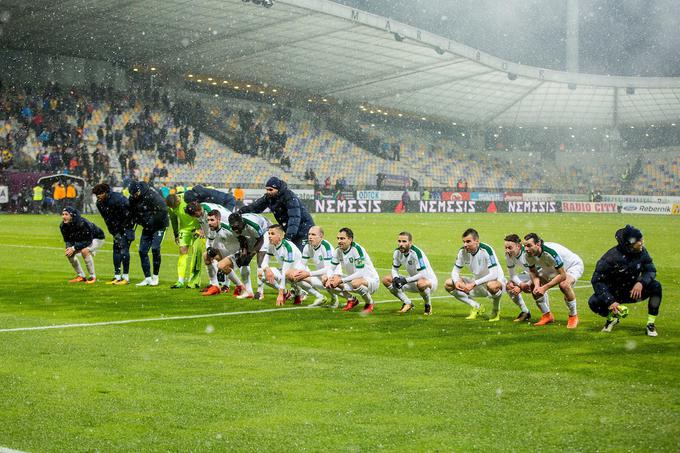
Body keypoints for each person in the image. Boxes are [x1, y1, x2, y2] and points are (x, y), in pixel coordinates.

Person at [589, 225, 662, 337]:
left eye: (642, 239)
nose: (642, 242)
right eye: (639, 240)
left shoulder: (642, 252)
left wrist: (641, 282)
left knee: (656, 286)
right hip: (615, 293)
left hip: (634, 292)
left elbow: (650, 270)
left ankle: (650, 324)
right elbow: (597, 281)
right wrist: (610, 301)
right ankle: (612, 318)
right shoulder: (610, 258)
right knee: (593, 302)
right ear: (630, 245)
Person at [522, 233, 583, 329]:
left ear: (538, 244)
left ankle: (573, 316)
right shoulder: (528, 254)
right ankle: (547, 316)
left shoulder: (550, 252)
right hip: (553, 267)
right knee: (533, 286)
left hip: (572, 266)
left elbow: (562, 275)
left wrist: (545, 287)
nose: (526, 249)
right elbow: (533, 272)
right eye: (524, 245)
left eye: (529, 245)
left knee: (564, 285)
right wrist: (538, 286)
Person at [239, 176, 314, 251]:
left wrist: (289, 236)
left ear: (277, 189)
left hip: (304, 229)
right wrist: (239, 213)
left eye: (271, 189)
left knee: (297, 255)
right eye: (267, 189)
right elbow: (255, 207)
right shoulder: (269, 198)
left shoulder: (288, 196)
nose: (268, 192)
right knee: (290, 255)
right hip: (293, 230)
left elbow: (294, 217)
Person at [445, 228, 505, 321]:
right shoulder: (462, 252)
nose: (465, 245)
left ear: (477, 241)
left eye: (468, 241)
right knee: (449, 283)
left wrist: (473, 284)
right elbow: (455, 271)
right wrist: (457, 281)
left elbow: (494, 274)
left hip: (495, 282)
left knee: (492, 285)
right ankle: (476, 306)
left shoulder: (486, 250)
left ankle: (496, 310)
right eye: (464, 242)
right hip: (478, 283)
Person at [325, 227, 380, 314]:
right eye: (338, 238)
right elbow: (330, 268)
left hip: (370, 281)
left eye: (342, 238)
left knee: (355, 282)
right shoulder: (338, 251)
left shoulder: (357, 249)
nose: (339, 241)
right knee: (327, 281)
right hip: (352, 279)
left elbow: (360, 273)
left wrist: (340, 280)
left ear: (350, 239)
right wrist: (329, 278)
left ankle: (369, 303)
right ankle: (351, 300)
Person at [382, 232, 437, 315]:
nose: (401, 244)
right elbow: (394, 269)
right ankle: (408, 303)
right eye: (399, 241)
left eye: (404, 241)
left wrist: (405, 280)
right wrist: (396, 278)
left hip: (428, 282)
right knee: (386, 280)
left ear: (410, 243)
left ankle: (428, 305)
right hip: (412, 281)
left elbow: (423, 275)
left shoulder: (417, 253)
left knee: (421, 283)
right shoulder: (397, 252)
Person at [185, 201, 233, 292]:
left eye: (194, 215)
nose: (194, 217)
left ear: (198, 211)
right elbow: (206, 226)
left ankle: (226, 285)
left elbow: (218, 227)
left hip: (226, 232)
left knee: (223, 258)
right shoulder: (200, 211)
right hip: (214, 233)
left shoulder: (210, 213)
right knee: (208, 256)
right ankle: (214, 284)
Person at [92, 183, 135, 285]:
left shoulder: (119, 199)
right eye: (96, 194)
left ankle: (125, 277)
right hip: (116, 229)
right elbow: (107, 219)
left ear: (105, 192)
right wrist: (114, 232)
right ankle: (117, 276)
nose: (98, 196)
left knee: (124, 250)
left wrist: (125, 228)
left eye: (100, 194)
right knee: (116, 250)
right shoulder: (100, 203)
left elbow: (129, 214)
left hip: (126, 227)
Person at [128, 181, 169, 287]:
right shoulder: (133, 198)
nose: (134, 196)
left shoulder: (152, 195)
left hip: (159, 225)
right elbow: (132, 212)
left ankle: (155, 277)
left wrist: (151, 221)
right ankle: (147, 278)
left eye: (135, 193)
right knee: (142, 251)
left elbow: (163, 210)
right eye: (132, 194)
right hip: (147, 226)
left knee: (155, 249)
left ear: (139, 190)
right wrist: (136, 222)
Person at [200, 209, 248, 297]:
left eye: (212, 220)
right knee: (206, 255)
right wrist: (209, 249)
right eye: (208, 220)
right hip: (226, 252)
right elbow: (210, 241)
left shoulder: (229, 228)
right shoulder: (212, 229)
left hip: (237, 253)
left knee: (221, 266)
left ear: (219, 220)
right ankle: (215, 286)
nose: (209, 223)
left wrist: (243, 253)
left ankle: (240, 286)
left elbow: (243, 238)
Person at [291, 226, 337, 307]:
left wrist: (308, 273)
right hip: (320, 273)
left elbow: (328, 269)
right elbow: (302, 264)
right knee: (297, 277)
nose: (310, 237)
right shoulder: (307, 247)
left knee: (325, 277)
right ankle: (320, 297)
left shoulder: (326, 247)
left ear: (321, 237)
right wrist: (297, 272)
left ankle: (341, 297)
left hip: (333, 274)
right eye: (309, 234)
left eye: (313, 234)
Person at [228, 211, 271, 300]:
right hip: (250, 234)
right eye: (233, 227)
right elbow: (241, 239)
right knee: (244, 262)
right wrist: (244, 252)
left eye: (237, 226)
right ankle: (248, 292)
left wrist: (251, 254)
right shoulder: (233, 227)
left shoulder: (252, 225)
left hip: (264, 231)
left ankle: (260, 292)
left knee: (260, 262)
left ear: (241, 222)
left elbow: (260, 240)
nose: (235, 229)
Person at [260, 224, 306, 306]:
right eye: (269, 234)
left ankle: (299, 292)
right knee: (261, 274)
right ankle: (286, 293)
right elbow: (264, 262)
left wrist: (280, 295)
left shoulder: (288, 248)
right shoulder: (271, 245)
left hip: (297, 273)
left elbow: (285, 271)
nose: (269, 236)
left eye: (272, 234)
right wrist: (267, 270)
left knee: (289, 275)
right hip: (285, 271)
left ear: (280, 236)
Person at [59, 206, 105, 284]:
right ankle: (81, 276)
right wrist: (69, 248)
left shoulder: (82, 223)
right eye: (63, 214)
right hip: (84, 240)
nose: (63, 217)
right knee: (69, 254)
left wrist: (74, 248)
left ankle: (92, 277)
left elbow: (88, 241)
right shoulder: (63, 226)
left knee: (84, 251)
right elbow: (67, 240)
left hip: (97, 238)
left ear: (72, 215)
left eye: (66, 214)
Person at [166, 193, 202, 289]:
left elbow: (200, 211)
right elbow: (173, 220)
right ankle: (180, 280)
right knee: (182, 251)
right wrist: (176, 234)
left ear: (178, 200)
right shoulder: (171, 207)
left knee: (196, 253)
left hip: (197, 228)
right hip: (184, 229)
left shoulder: (188, 198)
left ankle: (194, 281)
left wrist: (202, 228)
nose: (175, 209)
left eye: (176, 206)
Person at [502, 234, 533, 322]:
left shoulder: (528, 253)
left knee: (537, 288)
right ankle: (525, 312)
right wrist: (520, 284)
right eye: (506, 247)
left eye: (510, 247)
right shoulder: (508, 255)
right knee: (509, 286)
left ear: (518, 246)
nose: (507, 250)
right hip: (530, 274)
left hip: (543, 273)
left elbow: (538, 274)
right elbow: (512, 275)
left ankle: (547, 314)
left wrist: (521, 287)